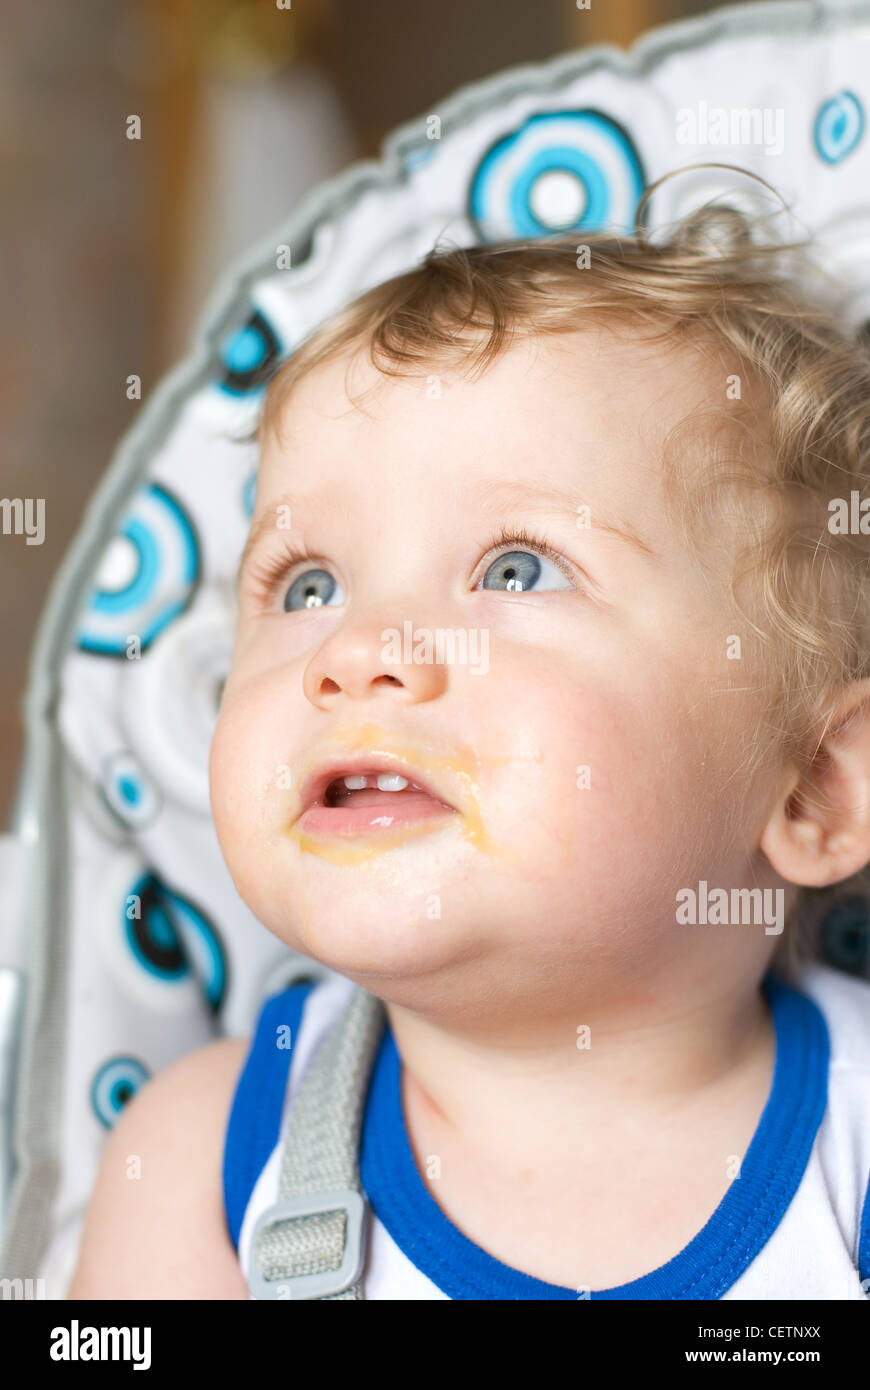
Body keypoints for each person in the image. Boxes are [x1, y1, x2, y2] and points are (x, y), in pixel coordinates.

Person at [67, 200, 870, 1300]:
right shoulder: (209, 1164)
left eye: (516, 570)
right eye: (307, 585)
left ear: (816, 785)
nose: (353, 653)